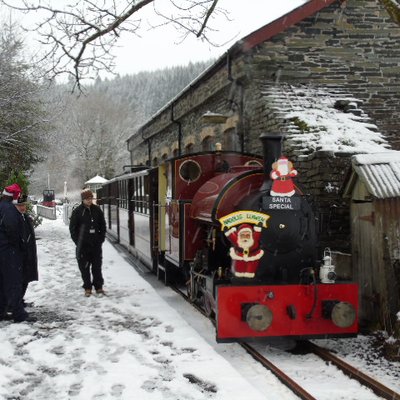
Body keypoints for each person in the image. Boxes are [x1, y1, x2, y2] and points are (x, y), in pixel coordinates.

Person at [0, 183, 33, 322]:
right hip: (9, 251)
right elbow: (13, 230)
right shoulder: (9, 210)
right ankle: (18, 314)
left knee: (3, 282)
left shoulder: (2, 206)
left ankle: (2, 311)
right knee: (13, 282)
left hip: (3, 249)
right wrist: (20, 245)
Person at [69, 188, 107, 297]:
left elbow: (103, 226)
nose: (89, 201)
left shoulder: (97, 210)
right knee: (84, 268)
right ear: (83, 200)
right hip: (83, 246)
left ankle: (99, 287)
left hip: (95, 245)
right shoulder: (77, 212)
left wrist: (101, 239)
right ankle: (87, 287)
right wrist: (78, 242)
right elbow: (73, 229)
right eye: (87, 199)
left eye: (91, 198)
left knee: (97, 267)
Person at [14, 195, 38, 303]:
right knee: (18, 279)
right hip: (18, 254)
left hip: (28, 253)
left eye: (23, 204)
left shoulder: (26, 218)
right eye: (19, 205)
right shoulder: (14, 219)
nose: (22, 207)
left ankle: (19, 299)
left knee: (26, 278)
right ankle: (15, 302)